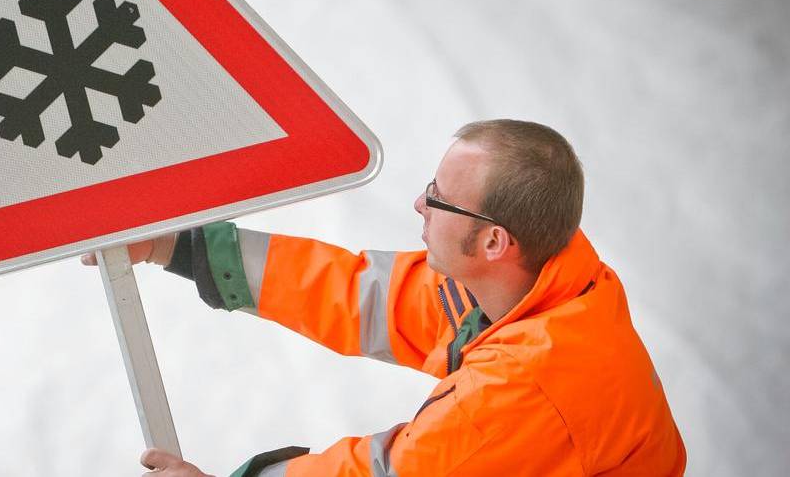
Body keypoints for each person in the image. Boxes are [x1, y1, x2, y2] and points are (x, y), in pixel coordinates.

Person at [83, 120, 685, 476]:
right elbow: (364, 296)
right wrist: (176, 245)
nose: (420, 205)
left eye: (439, 198)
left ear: (495, 240)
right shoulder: (542, 284)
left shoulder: (526, 386)